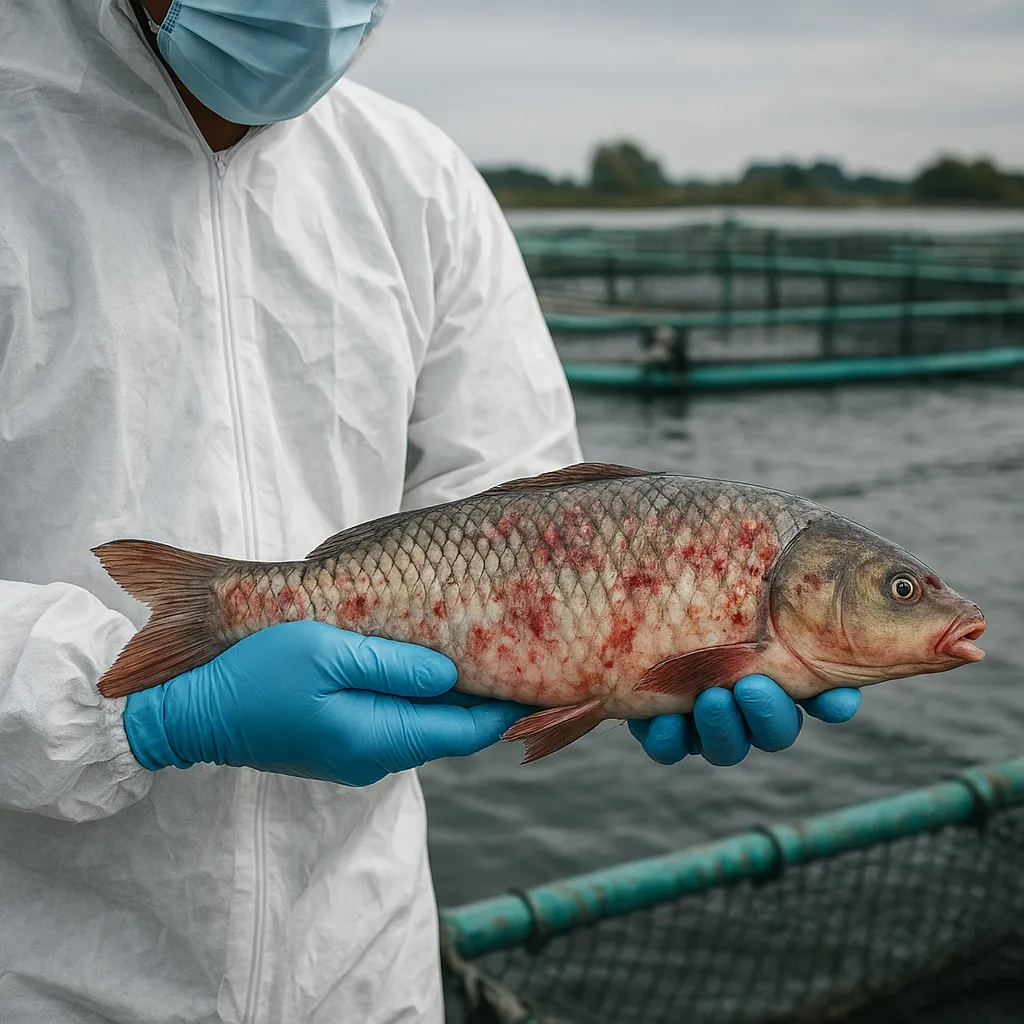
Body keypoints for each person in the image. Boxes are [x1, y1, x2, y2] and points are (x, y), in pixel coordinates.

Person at [0, 2, 862, 1021]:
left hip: (362, 966)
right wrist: (132, 712)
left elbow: (528, 511)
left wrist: (630, 654)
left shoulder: (418, 180)